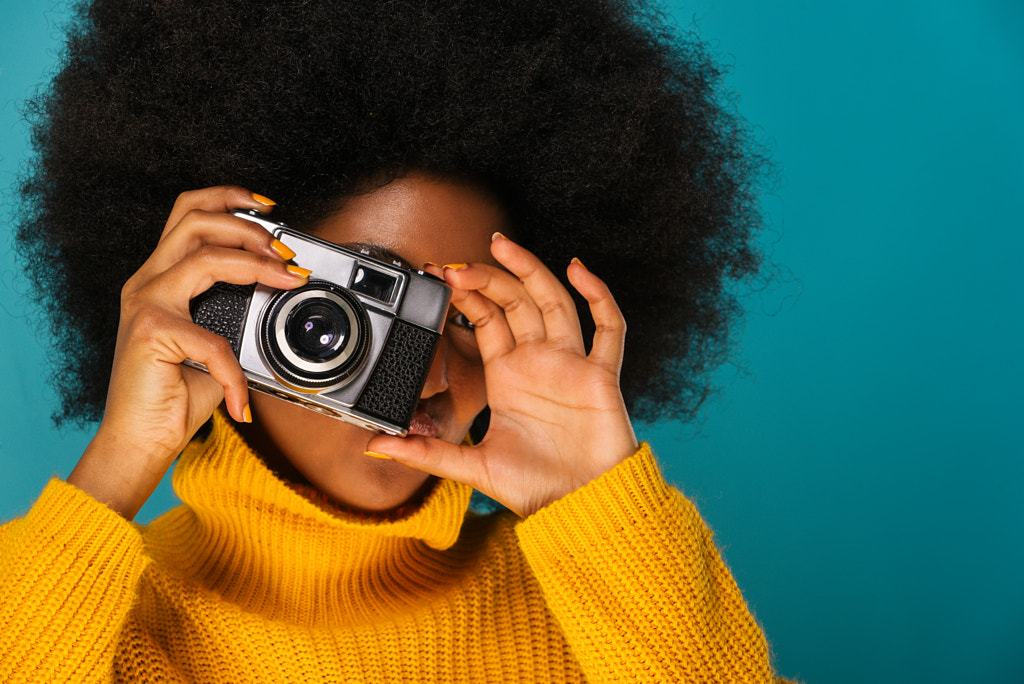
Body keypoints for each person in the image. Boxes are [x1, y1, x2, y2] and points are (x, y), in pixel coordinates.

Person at [1, 0, 789, 681]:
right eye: (353, 317)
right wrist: (117, 462)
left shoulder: (605, 606)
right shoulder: (95, 624)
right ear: (226, 296)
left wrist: (601, 514)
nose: (430, 380)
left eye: (473, 320)